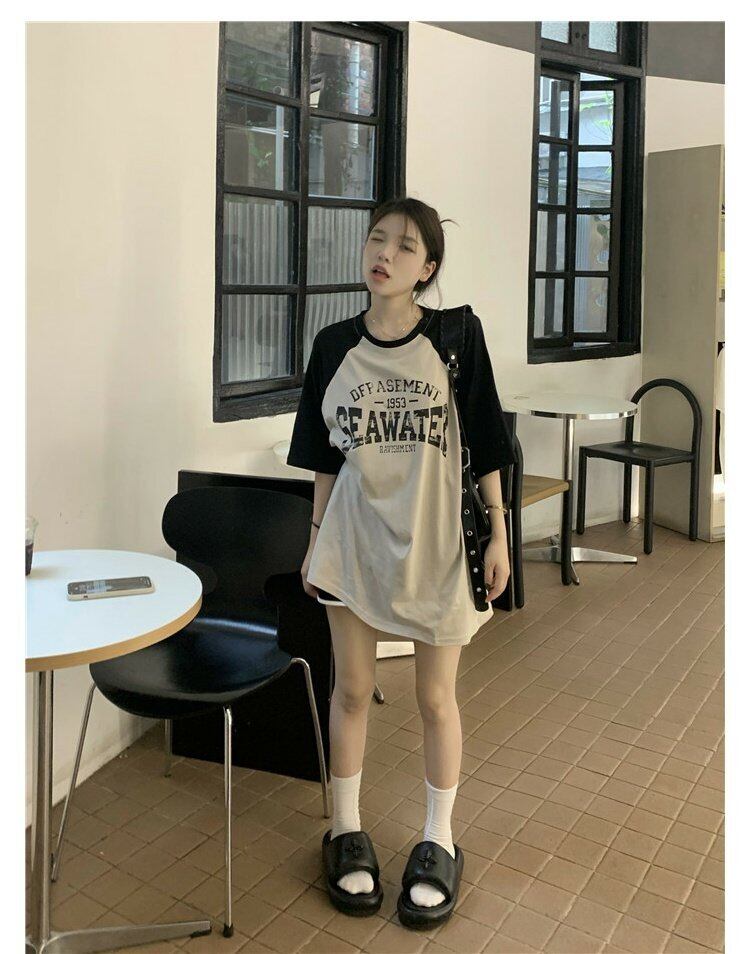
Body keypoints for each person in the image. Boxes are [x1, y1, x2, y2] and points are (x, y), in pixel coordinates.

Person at [286, 196, 515, 928]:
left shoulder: (455, 339)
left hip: (438, 547)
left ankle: (439, 838)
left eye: (406, 246)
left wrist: (500, 533)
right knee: (352, 689)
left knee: (436, 699)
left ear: (428, 268)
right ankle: (345, 830)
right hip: (353, 543)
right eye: (377, 239)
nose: (384, 254)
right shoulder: (333, 346)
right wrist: (314, 541)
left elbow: (487, 438)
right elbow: (323, 457)